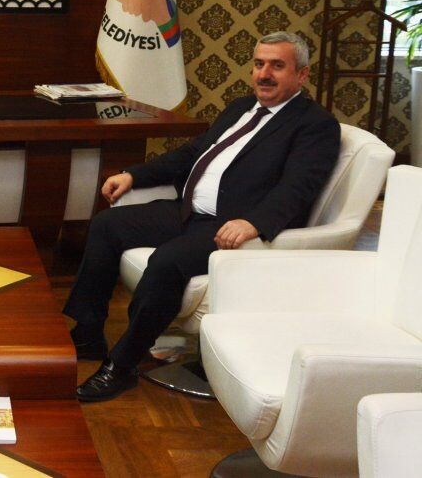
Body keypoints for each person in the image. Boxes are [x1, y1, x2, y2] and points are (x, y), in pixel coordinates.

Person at [64, 32, 339, 402]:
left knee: (166, 262)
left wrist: (253, 223)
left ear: (302, 74)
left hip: (229, 225)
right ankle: (88, 332)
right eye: (259, 64)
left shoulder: (315, 125)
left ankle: (122, 365)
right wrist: (134, 175)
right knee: (107, 225)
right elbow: (191, 153)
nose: (264, 74)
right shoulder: (241, 107)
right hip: (187, 212)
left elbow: (298, 187)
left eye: (277, 66)